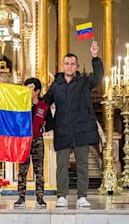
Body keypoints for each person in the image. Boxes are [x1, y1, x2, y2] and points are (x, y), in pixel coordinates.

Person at [44, 40, 103, 208]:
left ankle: (82, 196)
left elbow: (98, 77)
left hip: (82, 129)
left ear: (77, 66)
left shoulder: (84, 82)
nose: (69, 66)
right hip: (62, 129)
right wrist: (31, 97)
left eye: (72, 64)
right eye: (67, 63)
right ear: (63, 66)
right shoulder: (56, 85)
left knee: (82, 164)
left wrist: (95, 57)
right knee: (61, 165)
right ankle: (62, 196)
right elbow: (45, 103)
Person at [14, 78, 53, 208]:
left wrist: (43, 129)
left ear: (37, 91)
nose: (27, 91)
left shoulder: (43, 106)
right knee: (22, 171)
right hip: (24, 141)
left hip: (37, 140)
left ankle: (40, 198)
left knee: (39, 170)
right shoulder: (20, 105)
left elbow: (51, 123)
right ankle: (21, 197)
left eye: (30, 88)